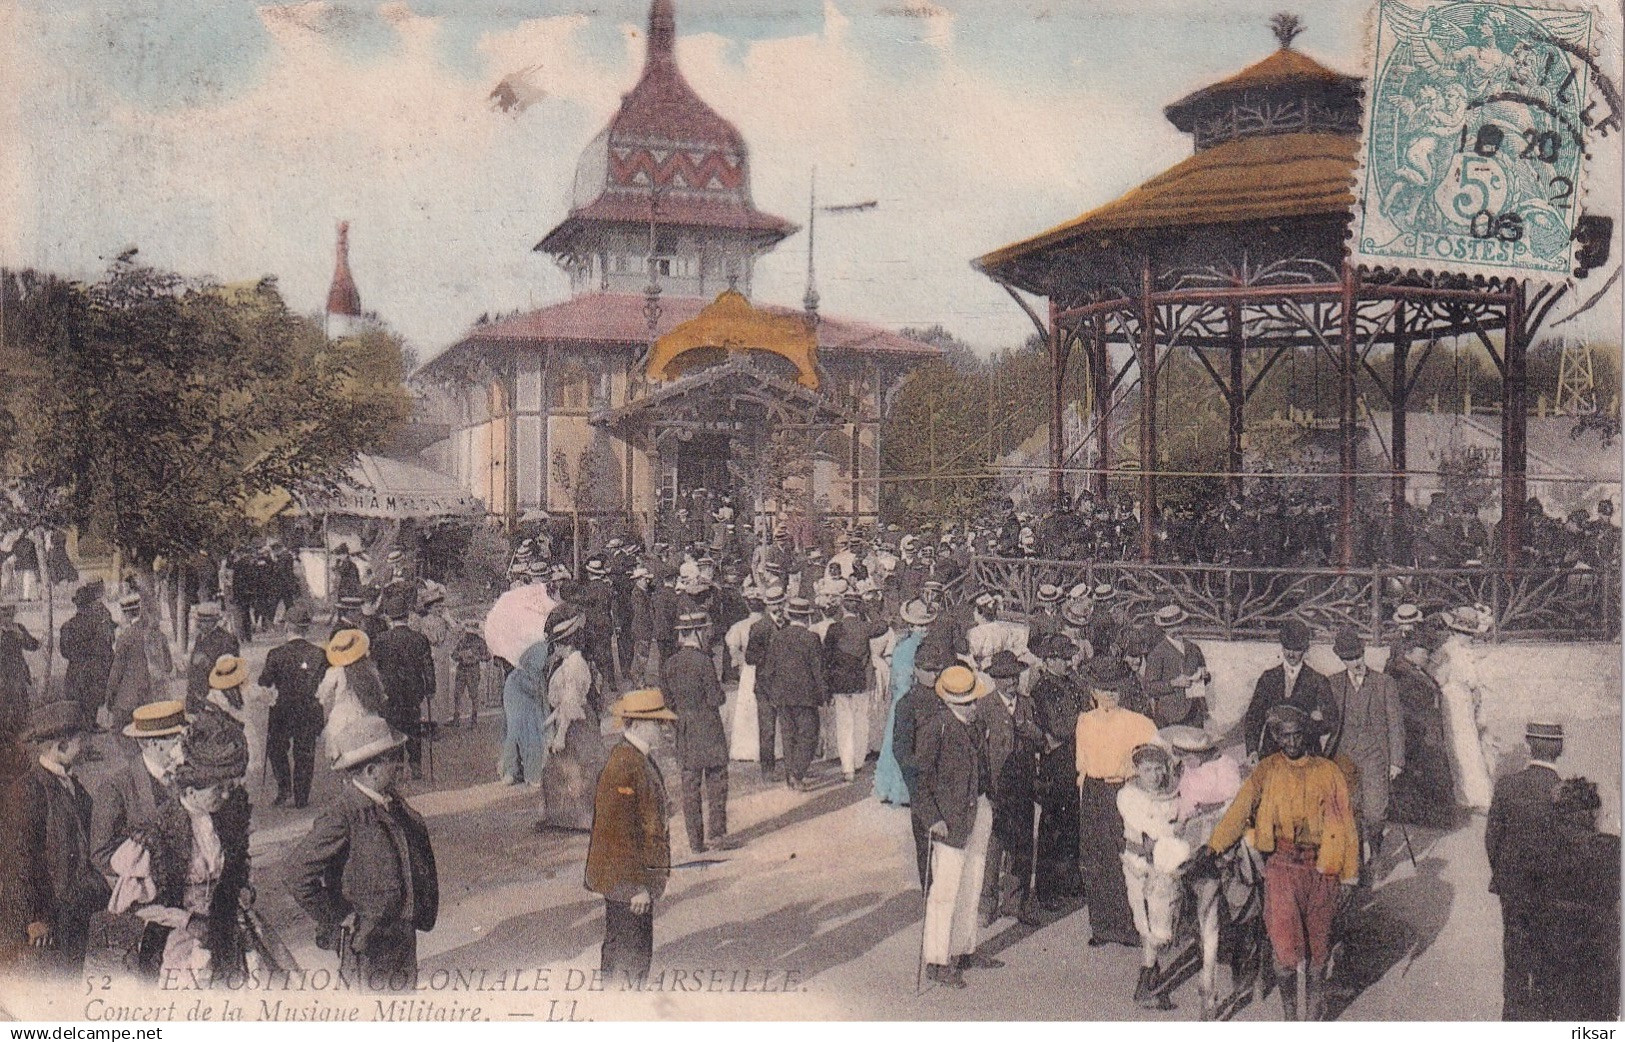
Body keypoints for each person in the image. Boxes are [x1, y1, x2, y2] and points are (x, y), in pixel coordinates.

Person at [1198, 704, 1359, 1021]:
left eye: (1298, 735)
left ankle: (1313, 1014)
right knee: (1284, 950)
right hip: (1283, 865)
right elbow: (1240, 810)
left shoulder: (1328, 772)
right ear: (1276, 738)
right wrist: (1215, 845)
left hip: (1322, 866)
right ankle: (1290, 1018)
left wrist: (1350, 874)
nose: (1293, 742)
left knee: (1318, 947)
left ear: (1306, 736)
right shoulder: (1267, 770)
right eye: (1285, 736)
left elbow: (1345, 824)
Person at [288, 715, 438, 989]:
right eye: (394, 758)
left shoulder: (391, 803)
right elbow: (297, 873)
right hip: (368, 944)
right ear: (371, 771)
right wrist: (338, 916)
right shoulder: (343, 814)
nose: (400, 764)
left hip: (401, 936)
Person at [106, 722, 251, 980]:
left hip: (223, 932)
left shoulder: (226, 817)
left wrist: (242, 888)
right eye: (218, 789)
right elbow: (131, 906)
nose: (227, 795)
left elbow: (236, 867)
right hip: (174, 942)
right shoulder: (158, 830)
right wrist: (185, 921)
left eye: (229, 786)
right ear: (191, 790)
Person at [914, 665, 1000, 989]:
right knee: (945, 891)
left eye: (973, 700)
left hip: (978, 809)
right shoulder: (935, 728)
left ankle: (964, 949)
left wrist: (990, 800)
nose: (974, 706)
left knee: (973, 881)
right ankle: (937, 960)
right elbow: (919, 779)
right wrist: (932, 818)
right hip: (948, 820)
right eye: (967, 702)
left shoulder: (974, 726)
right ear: (951, 701)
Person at [6, 701, 108, 976]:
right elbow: (19, 861)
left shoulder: (77, 789)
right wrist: (34, 917)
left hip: (74, 912)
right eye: (81, 740)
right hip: (45, 921)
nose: (85, 746)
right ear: (61, 746)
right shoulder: (29, 790)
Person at [585, 688, 674, 986]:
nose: (663, 729)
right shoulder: (626, 763)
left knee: (628, 953)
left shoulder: (636, 757)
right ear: (637, 724)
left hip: (631, 881)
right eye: (657, 723)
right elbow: (617, 833)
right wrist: (637, 886)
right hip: (629, 884)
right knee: (630, 956)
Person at [1075, 656, 1158, 949]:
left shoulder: (1139, 723)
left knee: (1124, 857)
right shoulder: (1084, 721)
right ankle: (1102, 925)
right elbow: (1082, 765)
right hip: (1094, 793)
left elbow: (1155, 761)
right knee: (1094, 858)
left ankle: (1129, 925)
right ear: (1092, 691)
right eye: (1101, 688)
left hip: (1123, 792)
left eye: (1113, 689)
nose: (1108, 695)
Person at [1485, 719, 1564, 1020]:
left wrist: (1504, 873)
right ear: (1560, 749)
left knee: (1515, 951)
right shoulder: (1566, 790)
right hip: (1553, 889)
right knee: (1548, 952)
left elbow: (1492, 838)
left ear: (1529, 746)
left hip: (1513, 884)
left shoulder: (1507, 785)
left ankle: (1513, 1018)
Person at [1532, 777, 1620, 1020]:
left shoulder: (1541, 849)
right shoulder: (1613, 849)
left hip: (1555, 958)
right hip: (1600, 960)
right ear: (1593, 813)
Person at [1322, 627, 1404, 869]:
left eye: (1358, 656)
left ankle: (1376, 850)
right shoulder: (1333, 683)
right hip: (1343, 755)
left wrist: (1396, 761)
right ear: (1341, 659)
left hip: (1374, 756)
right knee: (1350, 810)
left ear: (1364, 653)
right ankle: (1356, 855)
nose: (1356, 662)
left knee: (1375, 812)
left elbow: (1395, 724)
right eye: (1349, 658)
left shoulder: (1383, 683)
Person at [1118, 743, 1185, 1011]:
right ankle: (1145, 984)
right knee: (1148, 923)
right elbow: (1153, 828)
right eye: (1148, 770)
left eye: (1159, 769)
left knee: (1164, 922)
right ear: (1138, 770)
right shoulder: (1129, 796)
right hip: (1140, 865)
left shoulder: (1171, 794)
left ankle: (1150, 976)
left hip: (1167, 865)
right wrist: (1174, 831)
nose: (1155, 776)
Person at [978, 650, 1042, 926]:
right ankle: (987, 904)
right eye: (1004, 678)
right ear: (994, 679)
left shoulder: (1028, 704)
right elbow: (978, 749)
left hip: (1023, 785)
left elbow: (1041, 739)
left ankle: (1016, 903)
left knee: (1023, 844)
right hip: (997, 787)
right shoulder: (985, 706)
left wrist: (1032, 731)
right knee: (995, 846)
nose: (1010, 682)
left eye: (1014, 676)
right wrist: (985, 788)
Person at [662, 612, 732, 853]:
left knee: (690, 786)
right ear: (698, 632)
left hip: (685, 729)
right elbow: (715, 698)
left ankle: (695, 841)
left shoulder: (670, 663)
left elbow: (667, 702)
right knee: (717, 781)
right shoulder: (704, 661)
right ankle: (717, 834)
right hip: (709, 727)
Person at [90, 699, 185, 875]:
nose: (183, 748)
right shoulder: (116, 788)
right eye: (175, 741)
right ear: (147, 743)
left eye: (184, 739)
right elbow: (101, 856)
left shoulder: (188, 775)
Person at [1029, 633, 1085, 911]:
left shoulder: (1069, 681)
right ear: (1049, 660)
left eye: (1068, 657)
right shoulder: (1044, 689)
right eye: (1062, 658)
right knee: (1052, 828)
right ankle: (1047, 890)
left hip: (1072, 758)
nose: (1067, 662)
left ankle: (1069, 882)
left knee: (1072, 824)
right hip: (1056, 763)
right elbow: (1060, 728)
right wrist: (1084, 720)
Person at [537, 611, 605, 831]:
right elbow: (562, 705)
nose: (555, 649)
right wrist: (550, 720)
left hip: (577, 723)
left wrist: (560, 735)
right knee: (559, 770)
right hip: (570, 718)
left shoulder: (574, 665)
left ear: (566, 644)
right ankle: (563, 817)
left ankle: (584, 819)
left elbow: (570, 703)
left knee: (580, 770)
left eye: (557, 644)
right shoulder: (567, 663)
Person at [259, 607, 329, 808]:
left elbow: (264, 682)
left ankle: (284, 788)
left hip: (283, 712)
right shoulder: (319, 654)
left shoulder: (276, 654)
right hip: (309, 710)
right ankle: (301, 796)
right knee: (305, 752)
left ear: (287, 627)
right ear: (306, 628)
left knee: (277, 749)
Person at [1241, 619, 1337, 760]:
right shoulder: (1268, 678)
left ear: (1305, 649)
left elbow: (1331, 722)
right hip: (1272, 753)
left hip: (1306, 755)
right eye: (1287, 648)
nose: (1291, 654)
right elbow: (1254, 717)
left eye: (1297, 649)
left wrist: (1312, 722)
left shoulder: (1318, 680)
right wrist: (1252, 750)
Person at [1432, 605, 1495, 811]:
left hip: (1465, 701)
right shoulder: (1446, 652)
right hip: (1453, 702)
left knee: (1471, 745)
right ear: (1455, 632)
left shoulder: (1464, 651)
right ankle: (1466, 796)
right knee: (1460, 747)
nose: (1470, 638)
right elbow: (1436, 678)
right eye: (1465, 634)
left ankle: (1476, 796)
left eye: (1470, 634)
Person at [759, 598, 827, 792]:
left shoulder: (778, 636)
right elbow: (818, 670)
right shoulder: (811, 638)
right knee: (809, 735)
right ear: (806, 618)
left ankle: (791, 775)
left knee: (788, 736)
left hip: (782, 696)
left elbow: (768, 669)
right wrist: (823, 694)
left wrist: (772, 693)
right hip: (806, 696)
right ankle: (797, 774)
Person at [823, 591, 889, 783]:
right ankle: (858, 761)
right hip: (863, 682)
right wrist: (869, 608)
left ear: (843, 607)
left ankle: (847, 767)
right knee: (861, 721)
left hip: (841, 683)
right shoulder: (864, 627)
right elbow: (883, 626)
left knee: (844, 724)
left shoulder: (834, 628)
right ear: (858, 608)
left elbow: (827, 657)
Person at [874, 598, 930, 806]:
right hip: (908, 698)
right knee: (906, 743)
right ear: (912, 625)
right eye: (920, 625)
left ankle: (895, 789)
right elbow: (904, 680)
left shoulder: (905, 645)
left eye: (925, 625)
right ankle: (901, 790)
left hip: (901, 698)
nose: (924, 629)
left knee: (898, 741)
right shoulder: (913, 648)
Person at [372, 607, 437, 780]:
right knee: (413, 726)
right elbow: (428, 666)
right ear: (407, 617)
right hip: (413, 691)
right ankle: (416, 766)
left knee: (394, 727)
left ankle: (398, 768)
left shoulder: (381, 640)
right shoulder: (419, 639)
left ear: (390, 619)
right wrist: (430, 688)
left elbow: (376, 668)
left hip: (390, 692)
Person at [106, 593, 171, 741]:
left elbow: (116, 673)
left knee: (123, 737)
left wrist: (109, 698)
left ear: (126, 613)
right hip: (155, 699)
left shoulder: (125, 637)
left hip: (130, 702)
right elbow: (168, 666)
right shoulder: (159, 635)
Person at [316, 629, 387, 763]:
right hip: (368, 715)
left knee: (343, 760)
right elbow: (381, 692)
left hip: (342, 720)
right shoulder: (369, 669)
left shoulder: (335, 672)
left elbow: (322, 696)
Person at [743, 587, 788, 779]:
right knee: (767, 730)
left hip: (785, 685)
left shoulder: (789, 625)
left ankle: (790, 769)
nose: (777, 607)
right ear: (768, 605)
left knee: (787, 728)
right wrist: (770, 655)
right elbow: (749, 658)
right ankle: (767, 770)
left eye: (780, 603)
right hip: (765, 686)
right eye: (773, 604)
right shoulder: (759, 627)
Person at [1141, 604, 1209, 728]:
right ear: (1164, 629)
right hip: (1169, 716)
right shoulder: (1157, 653)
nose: (1177, 629)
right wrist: (1173, 683)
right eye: (1171, 627)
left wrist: (1205, 676)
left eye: (1179, 624)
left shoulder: (1194, 648)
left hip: (1194, 714)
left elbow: (1205, 678)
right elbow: (1149, 687)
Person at [60, 580, 116, 724]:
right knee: (90, 716)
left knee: (75, 718)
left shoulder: (67, 626)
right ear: (90, 605)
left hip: (74, 674)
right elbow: (106, 650)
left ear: (77, 605)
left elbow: (65, 652)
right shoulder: (98, 625)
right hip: (93, 674)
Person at [724, 585, 764, 762]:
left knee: (747, 707)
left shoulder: (739, 626)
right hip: (765, 668)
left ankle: (746, 749)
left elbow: (733, 650)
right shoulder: (768, 625)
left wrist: (741, 662)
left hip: (748, 670)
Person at [186, 603, 239, 708]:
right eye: (198, 621)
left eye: (203, 622)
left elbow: (230, 670)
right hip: (197, 693)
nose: (198, 625)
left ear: (213, 622)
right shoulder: (200, 637)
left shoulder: (226, 639)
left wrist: (207, 663)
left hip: (216, 696)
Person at [0, 602, 40, 741]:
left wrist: (22, 636)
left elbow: (34, 645)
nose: (7, 618)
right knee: (3, 703)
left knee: (21, 702)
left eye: (10, 614)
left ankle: (19, 734)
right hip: (2, 673)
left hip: (17, 671)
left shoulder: (18, 628)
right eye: (4, 614)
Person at [449, 621, 487, 729]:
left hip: (473, 671)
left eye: (471, 633)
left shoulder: (480, 642)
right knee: (457, 695)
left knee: (473, 695)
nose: (469, 635)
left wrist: (476, 657)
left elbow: (487, 656)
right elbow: (453, 655)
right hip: (461, 670)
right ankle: (456, 719)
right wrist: (461, 655)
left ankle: (474, 720)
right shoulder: (462, 641)